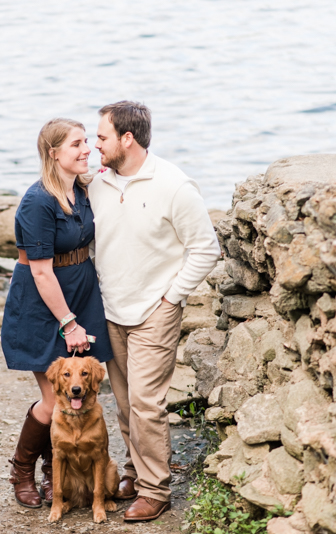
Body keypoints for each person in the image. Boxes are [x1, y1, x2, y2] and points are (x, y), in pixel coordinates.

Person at [89, 101, 221, 522]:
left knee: (147, 402)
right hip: (111, 309)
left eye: (102, 137)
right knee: (127, 403)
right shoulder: (98, 184)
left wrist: (173, 297)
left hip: (155, 310)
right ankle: (133, 470)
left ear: (127, 139)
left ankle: (155, 490)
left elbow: (206, 249)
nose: (96, 146)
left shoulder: (175, 186)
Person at [1, 118, 113, 509]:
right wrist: (69, 322)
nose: (87, 150)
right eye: (77, 144)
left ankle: (56, 474)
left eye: (87, 142)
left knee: (75, 392)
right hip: (43, 303)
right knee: (54, 400)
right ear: (53, 153)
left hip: (80, 293)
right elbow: (41, 270)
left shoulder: (81, 188)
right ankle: (22, 471)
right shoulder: (38, 201)